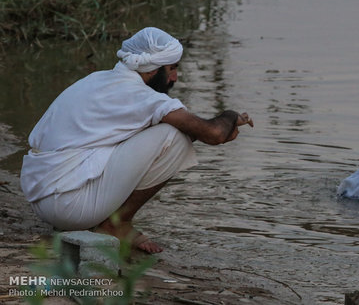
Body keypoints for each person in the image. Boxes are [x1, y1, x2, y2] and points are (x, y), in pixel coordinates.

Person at [21, 27, 253, 253]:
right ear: (152, 70)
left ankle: (104, 220)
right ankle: (116, 225)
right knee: (174, 136)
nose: (174, 77)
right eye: (172, 69)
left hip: (42, 198)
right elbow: (213, 134)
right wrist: (230, 116)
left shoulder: (97, 79)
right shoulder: (140, 95)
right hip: (69, 207)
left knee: (168, 130)